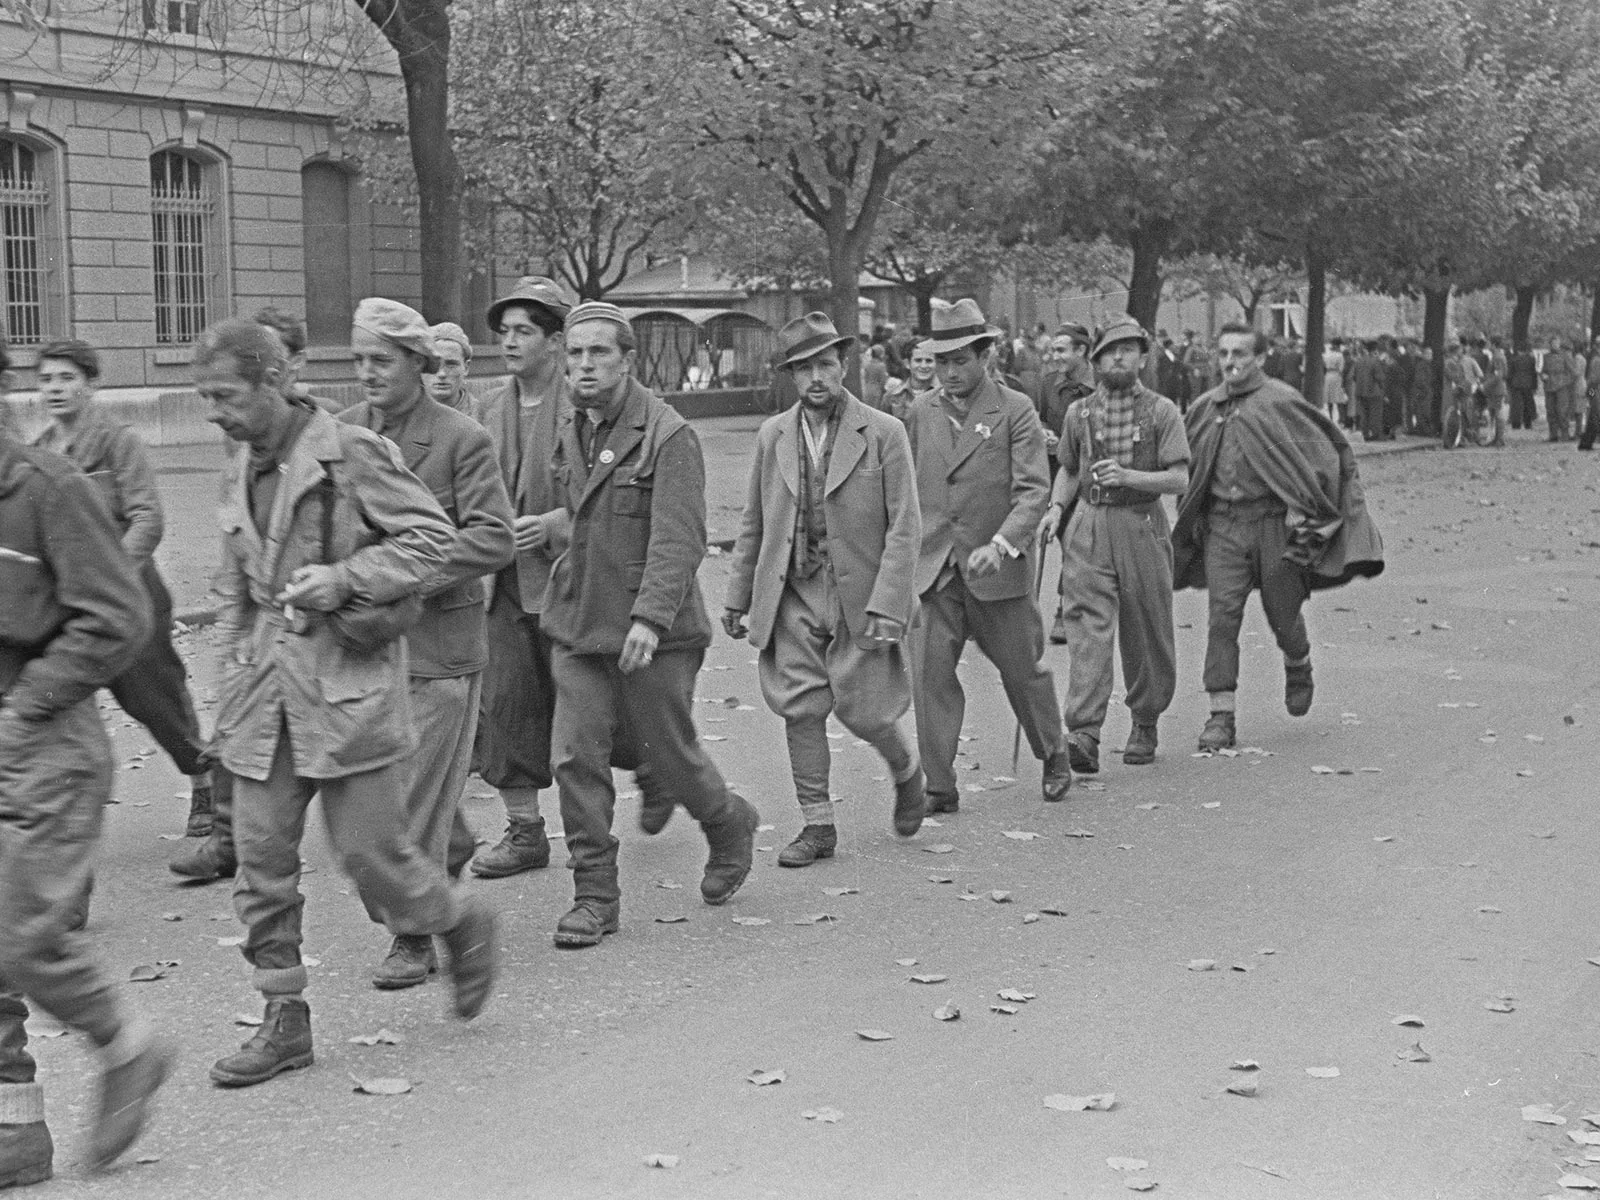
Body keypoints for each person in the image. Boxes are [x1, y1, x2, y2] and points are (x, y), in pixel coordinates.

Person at [194, 319, 497, 1088]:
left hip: (346, 691)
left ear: (271, 381)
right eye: (205, 399)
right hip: (265, 699)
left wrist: (348, 578)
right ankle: (284, 1020)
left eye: (225, 396)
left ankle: (458, 924)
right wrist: (222, 691)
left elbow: (432, 540)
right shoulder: (238, 465)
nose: (215, 413)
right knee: (261, 863)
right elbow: (234, 591)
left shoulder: (351, 451)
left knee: (372, 857)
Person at [1, 335, 172, 1181]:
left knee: (21, 937)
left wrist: (27, 703)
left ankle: (126, 1042)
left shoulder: (46, 490)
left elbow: (117, 617)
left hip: (44, 746)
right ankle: (16, 1131)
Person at [543, 302, 759, 948]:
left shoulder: (668, 436)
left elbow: (679, 537)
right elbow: (576, 515)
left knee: (670, 754)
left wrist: (648, 618)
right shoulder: (572, 428)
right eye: (575, 354)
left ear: (628, 361)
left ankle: (727, 825)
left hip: (655, 633)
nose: (583, 365)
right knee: (575, 757)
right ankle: (594, 896)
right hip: (581, 626)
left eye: (598, 353)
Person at [340, 299, 515, 988]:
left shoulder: (460, 437)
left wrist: (400, 575)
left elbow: (494, 537)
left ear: (418, 364)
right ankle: (455, 843)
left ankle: (414, 939)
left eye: (379, 360)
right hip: (361, 651)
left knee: (401, 816)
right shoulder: (343, 433)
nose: (366, 374)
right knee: (377, 808)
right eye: (357, 361)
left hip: (440, 649)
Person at [723, 312, 923, 868]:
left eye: (826, 364)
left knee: (866, 712)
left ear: (844, 366)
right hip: (793, 589)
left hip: (859, 589)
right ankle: (817, 824)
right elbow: (755, 522)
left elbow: (906, 524)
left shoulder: (884, 432)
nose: (817, 376)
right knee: (800, 706)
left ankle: (907, 772)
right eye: (805, 367)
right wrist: (739, 596)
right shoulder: (773, 435)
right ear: (791, 374)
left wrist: (890, 603)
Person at [29, 340, 224, 850]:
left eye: (67, 378)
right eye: (46, 378)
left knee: (154, 700)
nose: (54, 388)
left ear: (91, 385)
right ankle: (66, 826)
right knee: (63, 708)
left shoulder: (117, 443)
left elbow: (147, 517)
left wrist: (109, 577)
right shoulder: (42, 451)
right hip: (68, 605)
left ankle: (203, 778)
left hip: (131, 597)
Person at [1172, 324, 1384, 752]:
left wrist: (1308, 510)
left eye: (1240, 354)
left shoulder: (1281, 401)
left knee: (1282, 613)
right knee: (1222, 616)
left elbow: (1326, 456)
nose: (1230, 362)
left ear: (1261, 358)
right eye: (1224, 353)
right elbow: (1182, 462)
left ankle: (1298, 661)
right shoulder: (1203, 408)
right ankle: (1221, 715)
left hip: (1273, 525)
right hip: (1223, 528)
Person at [904, 299, 1073, 813]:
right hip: (935, 568)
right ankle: (939, 784)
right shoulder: (920, 412)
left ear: (986, 356)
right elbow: (908, 489)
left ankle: (1054, 753)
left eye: (960, 360)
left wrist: (1002, 544)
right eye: (940, 361)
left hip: (996, 568)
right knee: (928, 675)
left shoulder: (1015, 409)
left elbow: (1032, 491)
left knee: (1023, 671)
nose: (949, 372)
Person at [1037, 319, 1189, 772]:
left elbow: (1179, 476)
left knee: (1146, 625)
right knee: (1087, 627)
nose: (1118, 358)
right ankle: (1084, 732)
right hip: (1088, 522)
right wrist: (1054, 510)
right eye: (1110, 352)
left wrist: (1130, 477)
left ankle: (1145, 719)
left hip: (1141, 522)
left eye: (1128, 350)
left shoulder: (1162, 412)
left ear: (1142, 358)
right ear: (1097, 360)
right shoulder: (1078, 414)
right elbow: (1067, 468)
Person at [466, 278, 574, 879]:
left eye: (524, 332)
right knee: (507, 703)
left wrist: (560, 522)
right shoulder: (486, 409)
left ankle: (653, 775)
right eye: (504, 332)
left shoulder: (582, 404)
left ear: (554, 342)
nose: (510, 342)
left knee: (591, 709)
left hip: (570, 581)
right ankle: (526, 830)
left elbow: (613, 499)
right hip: (501, 583)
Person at [1039, 323, 1096, 645]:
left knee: (1077, 543)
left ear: (1081, 351)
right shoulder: (1048, 384)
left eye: (1061, 350)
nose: (1054, 356)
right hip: (1056, 474)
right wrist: (1044, 432)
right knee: (1064, 537)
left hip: (1090, 475)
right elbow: (1040, 417)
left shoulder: (1101, 384)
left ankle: (1065, 608)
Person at [425, 322, 476, 415]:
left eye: (451, 364)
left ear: (466, 367)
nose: (442, 374)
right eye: (433, 364)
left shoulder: (484, 416)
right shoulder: (402, 417)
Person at [1542, 338, 1579, 441]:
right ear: (1550, 345)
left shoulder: (1565, 356)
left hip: (1562, 388)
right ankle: (1553, 435)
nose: (1555, 345)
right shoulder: (1546, 356)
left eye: (1557, 343)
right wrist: (1543, 376)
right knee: (1550, 411)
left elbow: (1574, 372)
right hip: (1549, 387)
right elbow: (1544, 370)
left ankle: (1565, 434)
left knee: (1562, 411)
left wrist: (1566, 382)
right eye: (1552, 343)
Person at [1507, 342, 1539, 431]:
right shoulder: (1531, 359)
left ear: (1519, 351)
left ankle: (1516, 424)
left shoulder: (1514, 360)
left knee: (1516, 405)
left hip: (1516, 384)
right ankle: (1527, 424)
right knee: (1527, 404)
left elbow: (1510, 374)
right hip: (1528, 384)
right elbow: (1534, 373)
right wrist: (1535, 386)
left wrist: (1509, 384)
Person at [1322, 339, 1347, 425]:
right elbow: (1341, 369)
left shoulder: (1326, 355)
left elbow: (1324, 366)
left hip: (1328, 375)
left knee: (1329, 398)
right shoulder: (1340, 355)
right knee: (1338, 398)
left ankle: (1330, 417)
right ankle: (1341, 418)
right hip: (1336, 376)